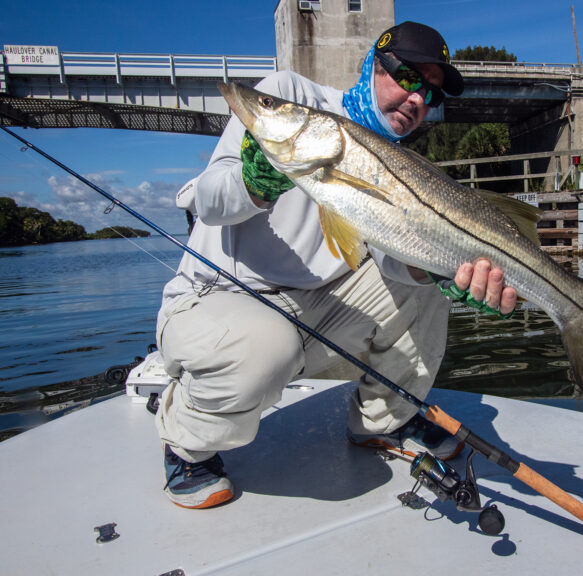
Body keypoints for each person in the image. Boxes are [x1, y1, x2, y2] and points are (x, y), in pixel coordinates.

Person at [156, 21, 518, 509]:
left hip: (315, 313)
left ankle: (382, 420)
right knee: (264, 347)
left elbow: (391, 263)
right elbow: (205, 204)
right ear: (373, 64)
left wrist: (441, 272)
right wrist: (254, 182)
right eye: (409, 78)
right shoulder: (288, 94)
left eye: (431, 93)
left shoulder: (395, 160)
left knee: (429, 277)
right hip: (220, 299)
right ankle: (187, 444)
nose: (418, 100)